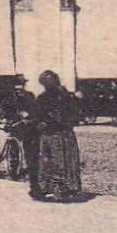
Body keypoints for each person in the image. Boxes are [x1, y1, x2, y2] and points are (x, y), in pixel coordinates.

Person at [32, 70, 83, 202]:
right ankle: (49, 188)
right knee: (49, 162)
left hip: (61, 133)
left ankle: (61, 189)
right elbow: (37, 115)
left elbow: (73, 114)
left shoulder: (64, 96)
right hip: (50, 134)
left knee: (60, 162)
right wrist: (39, 123)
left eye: (50, 81)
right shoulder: (43, 98)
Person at [0, 75, 40, 193]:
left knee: (32, 146)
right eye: (17, 86)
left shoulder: (30, 96)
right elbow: (2, 110)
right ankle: (13, 169)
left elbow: (35, 109)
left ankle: (32, 168)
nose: (19, 88)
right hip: (14, 124)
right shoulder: (9, 98)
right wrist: (5, 119)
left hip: (27, 124)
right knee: (13, 145)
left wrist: (29, 115)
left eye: (21, 85)